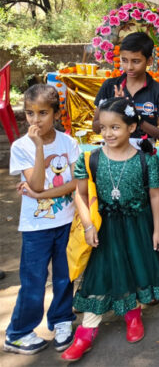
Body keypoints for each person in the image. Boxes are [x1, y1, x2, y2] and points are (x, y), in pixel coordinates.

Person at [61, 98, 159, 362]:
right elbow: (80, 195)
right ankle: (86, 332)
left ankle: (133, 314)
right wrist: (88, 225)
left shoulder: (146, 161)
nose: (108, 133)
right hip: (104, 228)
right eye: (104, 127)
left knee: (134, 269)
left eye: (115, 127)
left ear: (131, 127)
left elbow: (155, 195)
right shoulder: (91, 159)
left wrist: (157, 231)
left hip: (137, 226)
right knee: (98, 275)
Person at [4, 85, 79, 355]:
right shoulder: (21, 146)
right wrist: (38, 148)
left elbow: (75, 184)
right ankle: (18, 333)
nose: (35, 120)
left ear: (57, 114)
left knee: (64, 276)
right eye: (30, 113)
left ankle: (62, 320)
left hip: (66, 221)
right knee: (33, 280)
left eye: (43, 113)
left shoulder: (69, 143)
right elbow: (34, 182)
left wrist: (41, 194)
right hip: (36, 227)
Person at [93, 32, 159, 145]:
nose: (129, 67)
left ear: (149, 61)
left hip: (144, 151)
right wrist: (114, 108)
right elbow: (96, 128)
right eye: (124, 60)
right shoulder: (110, 86)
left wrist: (137, 119)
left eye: (136, 61)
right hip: (112, 150)